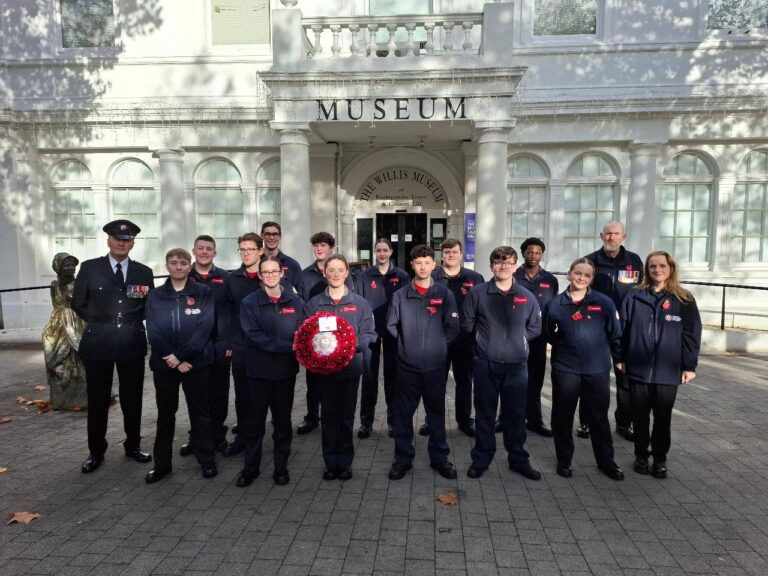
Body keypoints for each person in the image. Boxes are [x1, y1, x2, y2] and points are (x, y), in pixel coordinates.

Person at [72, 219, 155, 473]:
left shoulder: (143, 272)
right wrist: (102, 322)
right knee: (98, 399)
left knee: (133, 398)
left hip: (131, 341)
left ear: (133, 243)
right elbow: (78, 303)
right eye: (117, 238)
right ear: (108, 240)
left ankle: (132, 445)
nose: (122, 242)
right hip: (98, 342)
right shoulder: (90, 268)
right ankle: (96, 451)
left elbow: (147, 305)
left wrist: (125, 323)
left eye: (127, 239)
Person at [617, 251, 702, 479]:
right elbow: (621, 331)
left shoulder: (683, 299)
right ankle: (641, 456)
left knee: (663, 418)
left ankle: (660, 459)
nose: (657, 270)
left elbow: (692, 335)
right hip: (638, 369)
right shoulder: (634, 296)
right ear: (647, 269)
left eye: (662, 266)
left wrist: (689, 366)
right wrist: (620, 359)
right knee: (640, 417)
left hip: (667, 371)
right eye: (652, 266)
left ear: (671, 268)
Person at [462, 246, 542, 481]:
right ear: (491, 266)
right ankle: (481, 459)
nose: (503, 266)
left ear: (516, 265)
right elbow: (467, 323)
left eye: (508, 262)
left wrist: (519, 340)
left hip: (517, 366)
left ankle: (518, 459)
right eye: (498, 262)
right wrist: (484, 339)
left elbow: (535, 326)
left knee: (516, 415)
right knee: (485, 414)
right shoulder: (477, 293)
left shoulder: (526, 296)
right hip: (486, 364)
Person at [543, 258, 624, 481]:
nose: (581, 278)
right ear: (569, 274)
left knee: (598, 417)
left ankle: (606, 462)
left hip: (596, 370)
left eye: (587, 275)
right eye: (577, 273)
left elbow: (615, 334)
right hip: (565, 369)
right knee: (562, 416)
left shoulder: (604, 303)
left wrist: (618, 359)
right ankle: (564, 460)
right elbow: (549, 333)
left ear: (591, 279)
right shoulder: (555, 304)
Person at [387, 245, 460, 481]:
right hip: (407, 368)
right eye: (418, 262)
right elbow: (391, 327)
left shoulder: (444, 294)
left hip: (435, 367)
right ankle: (402, 459)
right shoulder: (400, 296)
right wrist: (406, 347)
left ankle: (440, 458)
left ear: (434, 264)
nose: (423, 266)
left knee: (436, 414)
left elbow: (453, 327)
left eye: (427, 262)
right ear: (412, 265)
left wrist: (437, 346)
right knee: (403, 415)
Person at [144, 248, 217, 483]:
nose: (178, 267)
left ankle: (207, 460)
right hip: (165, 366)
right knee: (166, 414)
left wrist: (185, 357)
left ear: (190, 265)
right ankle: (162, 465)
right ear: (167, 266)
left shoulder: (203, 292)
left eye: (183, 263)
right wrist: (172, 357)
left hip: (196, 363)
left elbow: (204, 327)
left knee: (201, 414)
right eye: (174, 263)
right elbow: (153, 330)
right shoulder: (156, 296)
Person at [303, 254, 376, 480]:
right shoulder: (315, 303)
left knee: (345, 417)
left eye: (339, 270)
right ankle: (330, 462)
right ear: (325, 273)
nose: (335, 274)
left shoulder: (359, 303)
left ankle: (344, 462)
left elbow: (369, 333)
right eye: (331, 270)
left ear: (347, 273)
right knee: (328, 418)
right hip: (323, 372)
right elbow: (305, 335)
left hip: (350, 369)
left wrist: (352, 345)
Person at [237, 257, 305, 487]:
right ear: (260, 275)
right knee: (254, 424)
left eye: (274, 271)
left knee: (282, 423)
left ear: (281, 273)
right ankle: (250, 468)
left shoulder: (295, 302)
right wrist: (288, 347)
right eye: (265, 272)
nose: (270, 275)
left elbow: (304, 331)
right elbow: (254, 336)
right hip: (257, 372)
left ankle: (280, 467)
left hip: (285, 373)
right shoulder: (249, 303)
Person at [581, 221, 643, 441]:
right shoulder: (590, 261)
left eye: (616, 234)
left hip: (626, 329)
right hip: (596, 327)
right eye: (608, 233)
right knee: (591, 377)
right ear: (601, 236)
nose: (612, 237)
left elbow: (641, 293)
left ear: (623, 237)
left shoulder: (634, 261)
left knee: (625, 379)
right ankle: (586, 422)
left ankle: (624, 423)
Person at [425, 238, 484, 438]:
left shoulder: (475, 278)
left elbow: (481, 308)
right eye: (447, 252)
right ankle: (431, 420)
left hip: (465, 340)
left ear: (461, 254)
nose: (451, 255)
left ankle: (465, 420)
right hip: (437, 339)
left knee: (465, 382)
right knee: (435, 383)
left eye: (455, 252)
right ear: (442, 255)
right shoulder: (432, 276)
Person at [296, 232, 353, 436]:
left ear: (331, 248)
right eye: (316, 246)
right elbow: (302, 304)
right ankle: (312, 416)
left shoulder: (341, 272)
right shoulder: (304, 275)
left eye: (322, 245)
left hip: (338, 338)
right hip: (315, 337)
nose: (319, 249)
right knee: (313, 382)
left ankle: (336, 417)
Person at [179, 235, 231, 457]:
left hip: (219, 344)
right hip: (193, 348)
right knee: (197, 395)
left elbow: (231, 311)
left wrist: (229, 341)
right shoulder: (184, 277)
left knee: (219, 393)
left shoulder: (225, 278)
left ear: (215, 253)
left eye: (209, 249)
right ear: (194, 250)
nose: (204, 252)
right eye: (200, 248)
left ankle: (218, 436)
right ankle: (197, 437)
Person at [354, 238, 409, 439]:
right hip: (370, 332)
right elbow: (358, 303)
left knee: (393, 379)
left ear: (391, 251)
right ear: (375, 252)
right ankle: (366, 422)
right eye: (379, 250)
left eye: (385, 250)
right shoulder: (365, 276)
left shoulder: (401, 276)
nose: (382, 254)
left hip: (393, 333)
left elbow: (406, 304)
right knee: (369, 377)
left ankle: (394, 422)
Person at [223, 232, 264, 457]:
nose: (246, 253)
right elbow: (228, 312)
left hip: (264, 346)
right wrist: (230, 341)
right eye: (242, 249)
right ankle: (243, 437)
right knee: (242, 394)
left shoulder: (269, 275)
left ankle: (259, 436)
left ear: (260, 251)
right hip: (240, 345)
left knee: (261, 394)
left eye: (250, 249)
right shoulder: (232, 279)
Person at [513, 238, 558, 437]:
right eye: (529, 252)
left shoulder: (550, 279)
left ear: (542, 255)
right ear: (523, 253)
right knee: (511, 380)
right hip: (514, 336)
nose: (533, 256)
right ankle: (507, 417)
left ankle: (534, 420)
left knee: (535, 380)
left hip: (539, 337)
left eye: (537, 252)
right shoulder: (513, 276)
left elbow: (553, 307)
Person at [43, 252, 87, 410]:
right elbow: (56, 304)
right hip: (58, 324)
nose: (70, 268)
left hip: (76, 323)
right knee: (54, 355)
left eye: (72, 265)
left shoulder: (79, 283)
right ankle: (63, 398)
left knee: (79, 355)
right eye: (66, 265)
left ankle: (83, 396)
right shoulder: (54, 285)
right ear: (58, 268)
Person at [261, 221, 302, 291]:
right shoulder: (255, 262)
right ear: (261, 236)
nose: (271, 237)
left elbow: (302, 293)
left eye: (275, 234)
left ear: (280, 237)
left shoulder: (292, 264)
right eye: (268, 234)